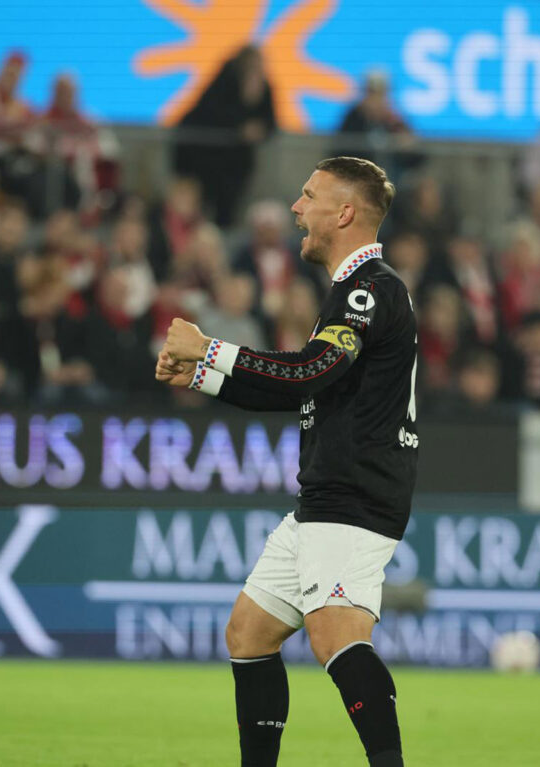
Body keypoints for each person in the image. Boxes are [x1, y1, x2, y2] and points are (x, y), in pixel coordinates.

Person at [156, 157, 416, 767]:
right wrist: (201, 374)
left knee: (335, 638)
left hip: (355, 496)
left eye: (308, 196)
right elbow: (303, 384)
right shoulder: (351, 293)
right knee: (249, 633)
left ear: (344, 213)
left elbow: (310, 370)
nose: (297, 208)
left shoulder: (369, 289)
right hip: (325, 494)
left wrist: (210, 347)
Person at [173, 45, 276, 227]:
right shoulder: (224, 81)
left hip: (235, 164)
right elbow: (209, 114)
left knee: (227, 209)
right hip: (202, 157)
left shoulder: (264, 86)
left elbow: (271, 123)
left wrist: (258, 128)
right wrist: (240, 124)